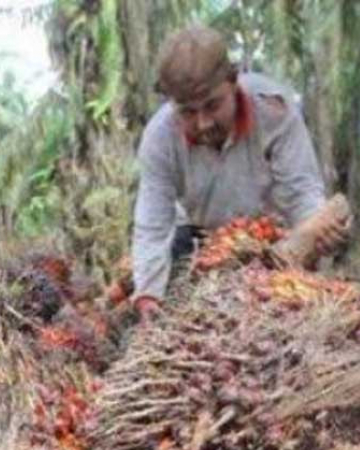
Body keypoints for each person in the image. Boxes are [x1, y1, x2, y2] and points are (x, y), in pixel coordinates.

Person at [131, 25, 348, 319]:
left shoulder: (274, 111)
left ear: (233, 81)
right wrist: (147, 294)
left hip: (270, 240)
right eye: (188, 112)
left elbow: (302, 194)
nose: (204, 123)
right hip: (199, 243)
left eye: (212, 105)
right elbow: (152, 225)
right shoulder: (159, 138)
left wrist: (318, 236)